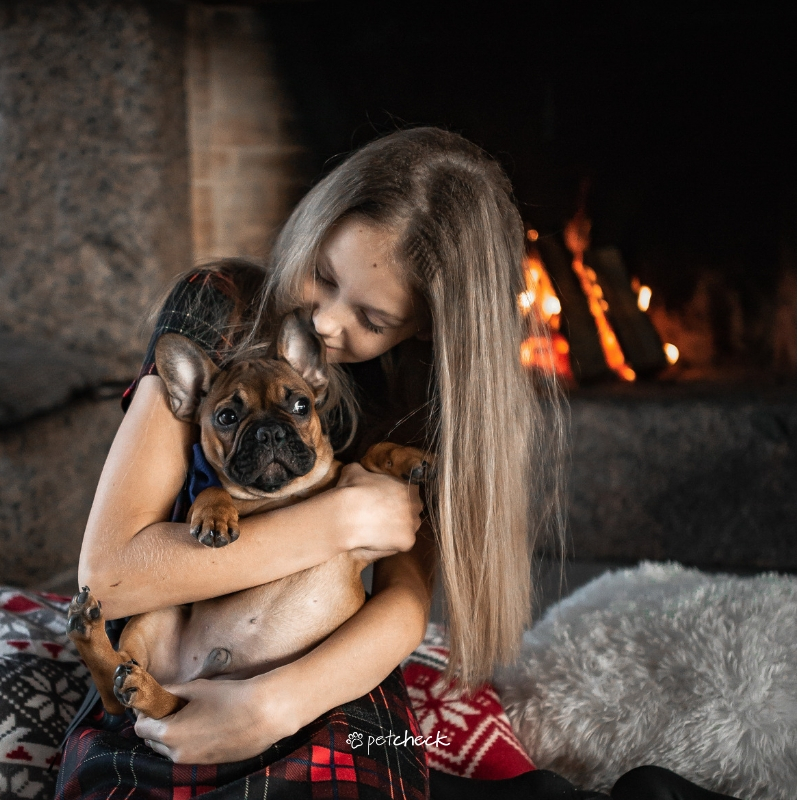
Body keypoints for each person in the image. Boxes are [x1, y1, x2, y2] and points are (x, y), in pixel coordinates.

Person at [55, 127, 740, 800]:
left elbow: (405, 605)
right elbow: (108, 579)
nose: (324, 322)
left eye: (372, 320)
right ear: (316, 221)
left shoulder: (423, 393)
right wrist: (339, 519)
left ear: (421, 329)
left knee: (373, 760)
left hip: (329, 681)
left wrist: (278, 704)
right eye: (323, 276)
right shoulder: (223, 307)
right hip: (165, 671)